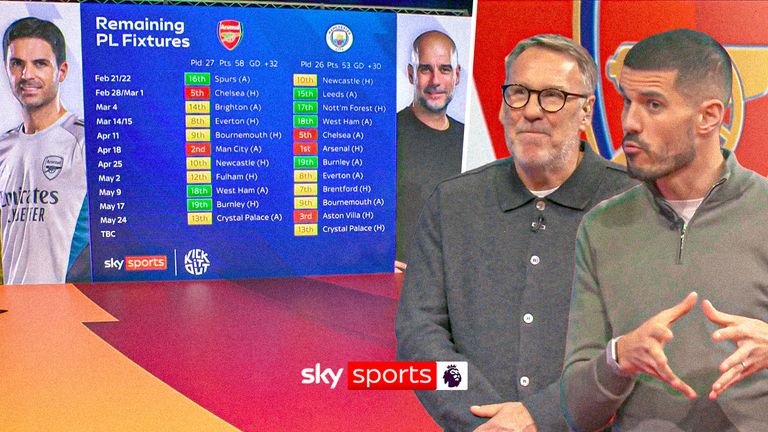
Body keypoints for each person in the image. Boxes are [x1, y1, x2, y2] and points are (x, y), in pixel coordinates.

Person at [395, 34, 635, 431]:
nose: (532, 111)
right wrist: (481, 416)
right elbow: (419, 335)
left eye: (553, 96)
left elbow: (642, 342)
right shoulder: (452, 204)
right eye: (519, 93)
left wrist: (543, 417)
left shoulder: (635, 205)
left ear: (586, 111)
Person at [561, 29, 768, 431]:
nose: (629, 122)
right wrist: (617, 358)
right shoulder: (602, 228)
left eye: (653, 104)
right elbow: (577, 412)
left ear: (709, 116)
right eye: (627, 101)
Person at [1, 17, 90, 284]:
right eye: (17, 63)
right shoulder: (3, 148)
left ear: (61, 71)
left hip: (67, 303)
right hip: (13, 304)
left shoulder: (86, 142)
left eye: (40, 63)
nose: (27, 75)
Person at [396, 30, 464, 272]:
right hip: (402, 286)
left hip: (455, 281)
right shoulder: (387, 135)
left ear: (456, 75)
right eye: (425, 69)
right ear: (411, 74)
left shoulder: (468, 139)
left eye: (445, 69)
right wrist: (378, 263)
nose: (436, 80)